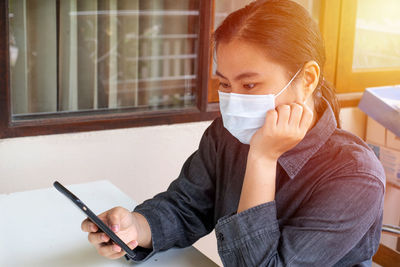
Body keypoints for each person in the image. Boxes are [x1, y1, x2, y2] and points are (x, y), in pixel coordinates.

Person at [81, 0, 385, 266]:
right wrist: (134, 226)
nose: (235, 100)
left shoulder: (356, 175)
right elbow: (186, 206)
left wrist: (262, 159)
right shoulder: (227, 135)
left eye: (250, 85)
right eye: (225, 84)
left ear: (307, 78)